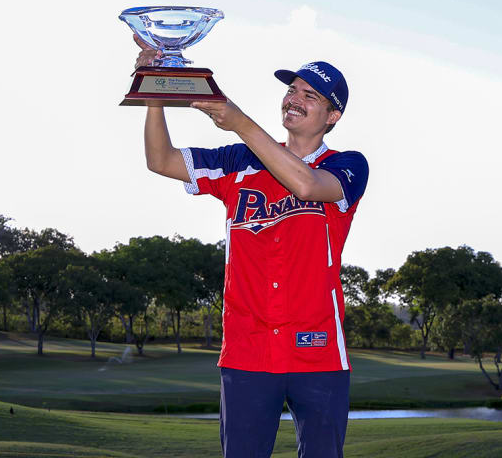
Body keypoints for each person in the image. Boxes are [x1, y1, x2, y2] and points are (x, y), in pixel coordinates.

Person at [135, 35, 369, 458]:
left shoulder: (347, 165)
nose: (293, 99)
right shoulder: (240, 160)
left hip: (317, 352)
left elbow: (306, 184)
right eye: (292, 89)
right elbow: (161, 160)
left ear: (333, 115)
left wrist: (240, 122)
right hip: (247, 349)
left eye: (310, 95)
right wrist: (154, 89)